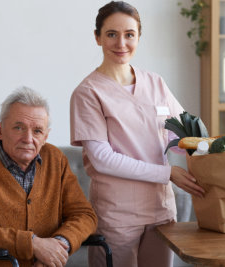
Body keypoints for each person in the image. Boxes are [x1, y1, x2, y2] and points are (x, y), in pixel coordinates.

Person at [70, 1, 205, 267]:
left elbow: (182, 137)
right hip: (117, 215)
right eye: (111, 34)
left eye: (129, 34)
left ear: (139, 37)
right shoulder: (88, 93)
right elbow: (102, 159)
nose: (121, 43)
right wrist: (168, 173)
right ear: (97, 37)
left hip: (160, 210)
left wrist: (209, 148)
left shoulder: (155, 82)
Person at [0, 87, 97, 267]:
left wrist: (57, 248)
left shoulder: (56, 160)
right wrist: (33, 244)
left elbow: (84, 214)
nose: (28, 139)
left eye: (37, 131)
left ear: (45, 136)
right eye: (19, 128)